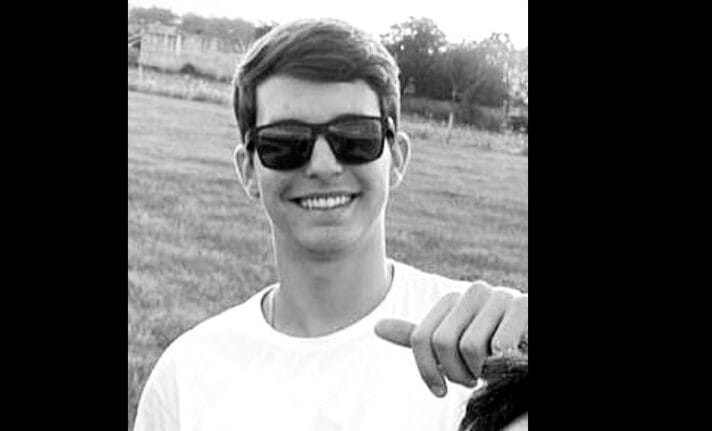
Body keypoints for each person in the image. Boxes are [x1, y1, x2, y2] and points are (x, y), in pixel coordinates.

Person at [133, 18, 528, 431]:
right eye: (284, 143)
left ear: (396, 157)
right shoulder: (186, 378)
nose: (323, 166)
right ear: (247, 169)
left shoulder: (487, 344)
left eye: (355, 137)